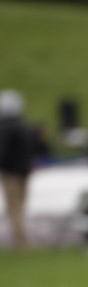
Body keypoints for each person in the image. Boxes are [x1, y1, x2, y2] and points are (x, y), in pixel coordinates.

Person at [0, 89, 36, 249]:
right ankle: (21, 241)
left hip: (11, 173)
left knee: (14, 208)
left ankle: (21, 243)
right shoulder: (23, 126)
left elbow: (3, 151)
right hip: (24, 172)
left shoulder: (5, 128)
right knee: (19, 208)